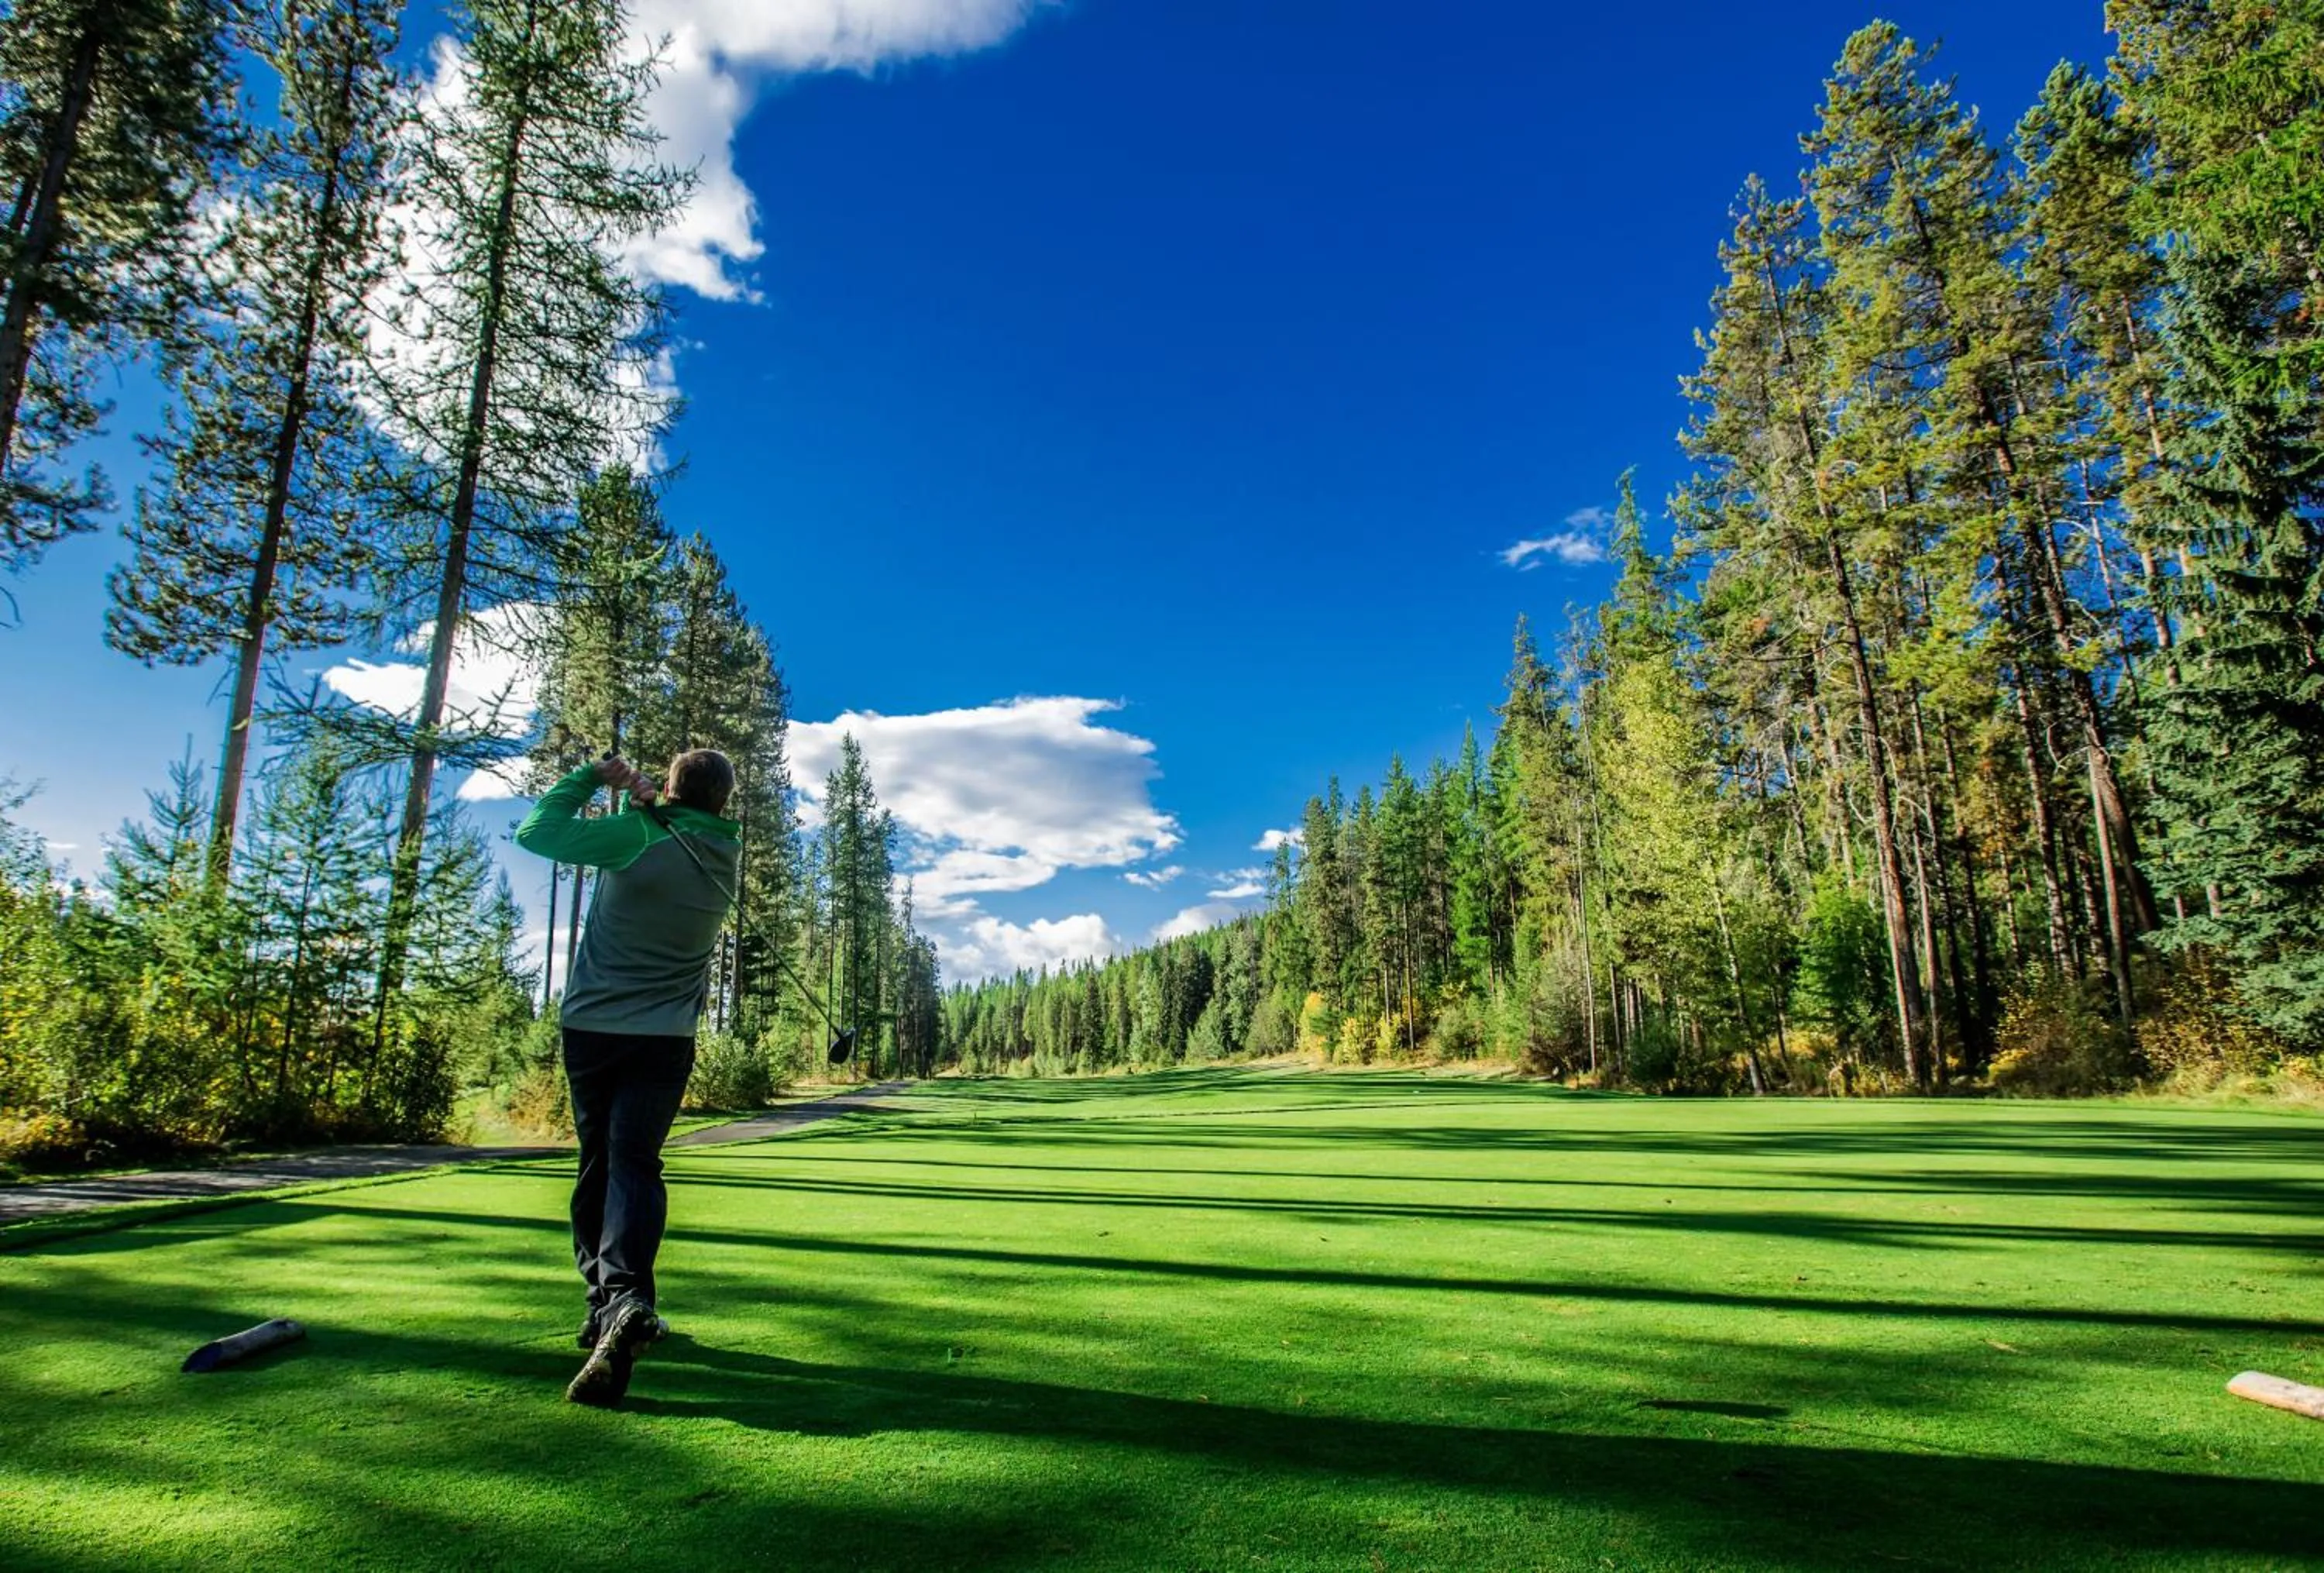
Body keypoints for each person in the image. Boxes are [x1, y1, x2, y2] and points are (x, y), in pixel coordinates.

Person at [514, 748, 740, 1407]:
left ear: (671, 788)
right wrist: (651, 803)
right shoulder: (722, 851)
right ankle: (622, 1305)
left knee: (598, 1166)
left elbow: (537, 832)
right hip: (667, 1039)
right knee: (635, 1164)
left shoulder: (639, 833)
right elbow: (678, 832)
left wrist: (597, 778)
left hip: (594, 1029)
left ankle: (613, 1304)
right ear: (723, 804)